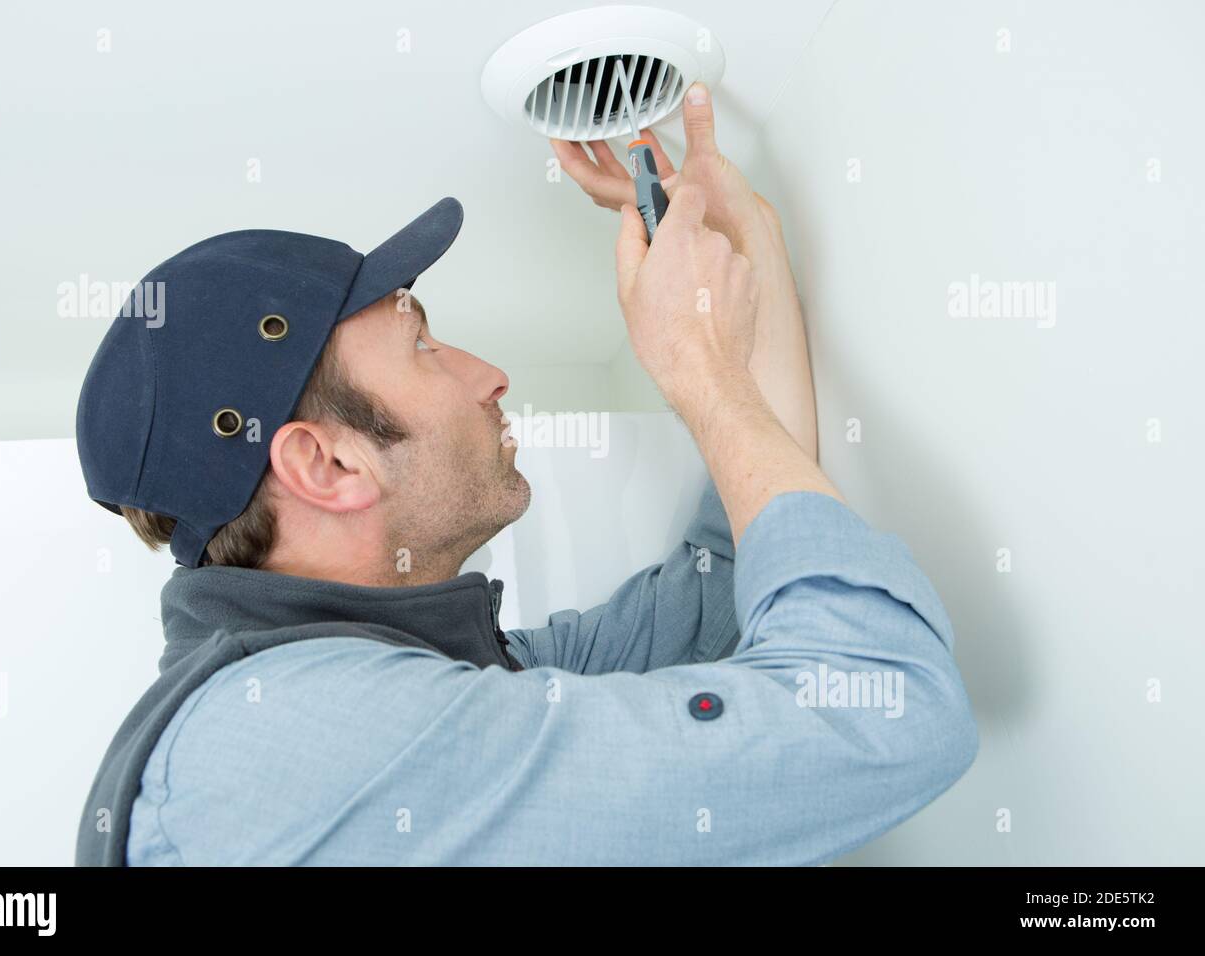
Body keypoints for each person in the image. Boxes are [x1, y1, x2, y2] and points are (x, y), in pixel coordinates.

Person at [74, 82, 977, 866]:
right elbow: (886, 709)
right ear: (327, 462)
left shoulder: (449, 678)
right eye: (420, 343)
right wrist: (699, 376)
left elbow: (737, 577)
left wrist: (741, 238)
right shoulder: (279, 748)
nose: (488, 375)